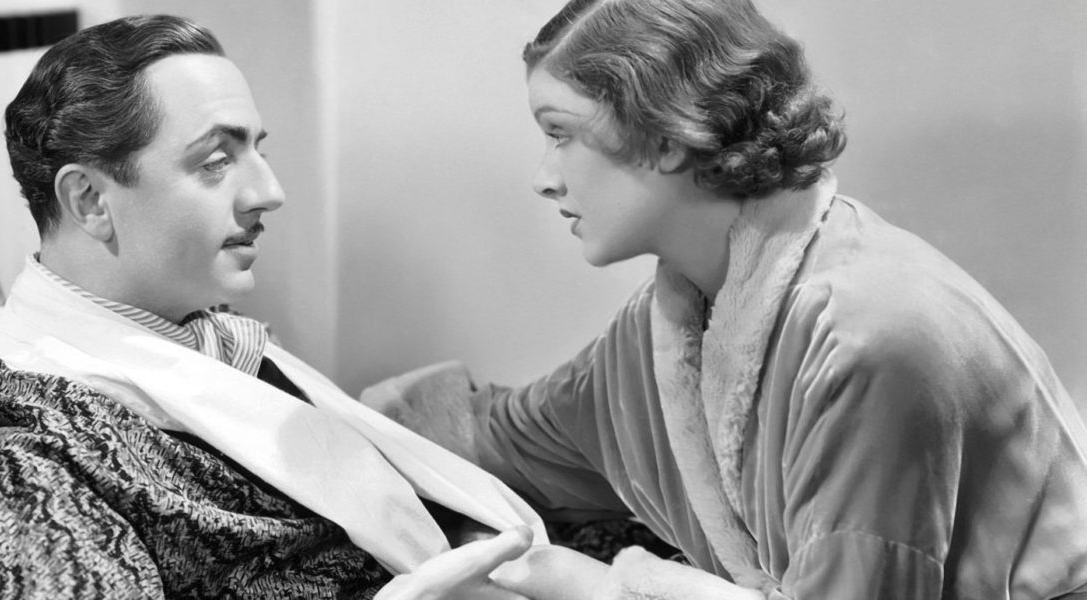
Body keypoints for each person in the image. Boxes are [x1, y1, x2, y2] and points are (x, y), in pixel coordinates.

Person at [368, 0, 1087, 598]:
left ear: (666, 132)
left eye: (561, 134)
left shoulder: (871, 337)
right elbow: (500, 439)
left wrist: (602, 588)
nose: (545, 177)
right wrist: (312, 419)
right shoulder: (665, 331)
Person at [0, 14, 562, 600]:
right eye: (215, 162)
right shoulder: (42, 453)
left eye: (257, 152)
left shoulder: (206, 340)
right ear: (90, 200)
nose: (269, 193)